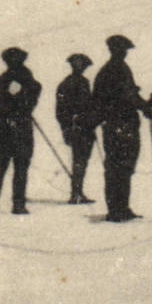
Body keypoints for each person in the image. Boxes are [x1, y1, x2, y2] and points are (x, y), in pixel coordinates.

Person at [93, 35, 147, 222]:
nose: (124, 52)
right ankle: (117, 209)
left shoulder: (108, 70)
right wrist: (145, 106)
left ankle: (120, 207)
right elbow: (128, 95)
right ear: (115, 50)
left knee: (119, 166)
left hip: (114, 124)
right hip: (122, 124)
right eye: (122, 49)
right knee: (121, 166)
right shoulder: (117, 69)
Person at [0, 47, 41, 215]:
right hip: (20, 130)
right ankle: (17, 205)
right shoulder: (26, 78)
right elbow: (35, 93)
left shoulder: (1, 80)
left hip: (7, 131)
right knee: (19, 167)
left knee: (2, 167)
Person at [55, 53, 97, 204]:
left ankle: (78, 192)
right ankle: (76, 193)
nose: (82, 68)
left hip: (84, 127)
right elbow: (61, 110)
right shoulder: (68, 84)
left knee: (81, 160)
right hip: (77, 127)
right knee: (79, 160)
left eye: (83, 66)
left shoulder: (82, 82)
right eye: (80, 65)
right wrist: (66, 127)